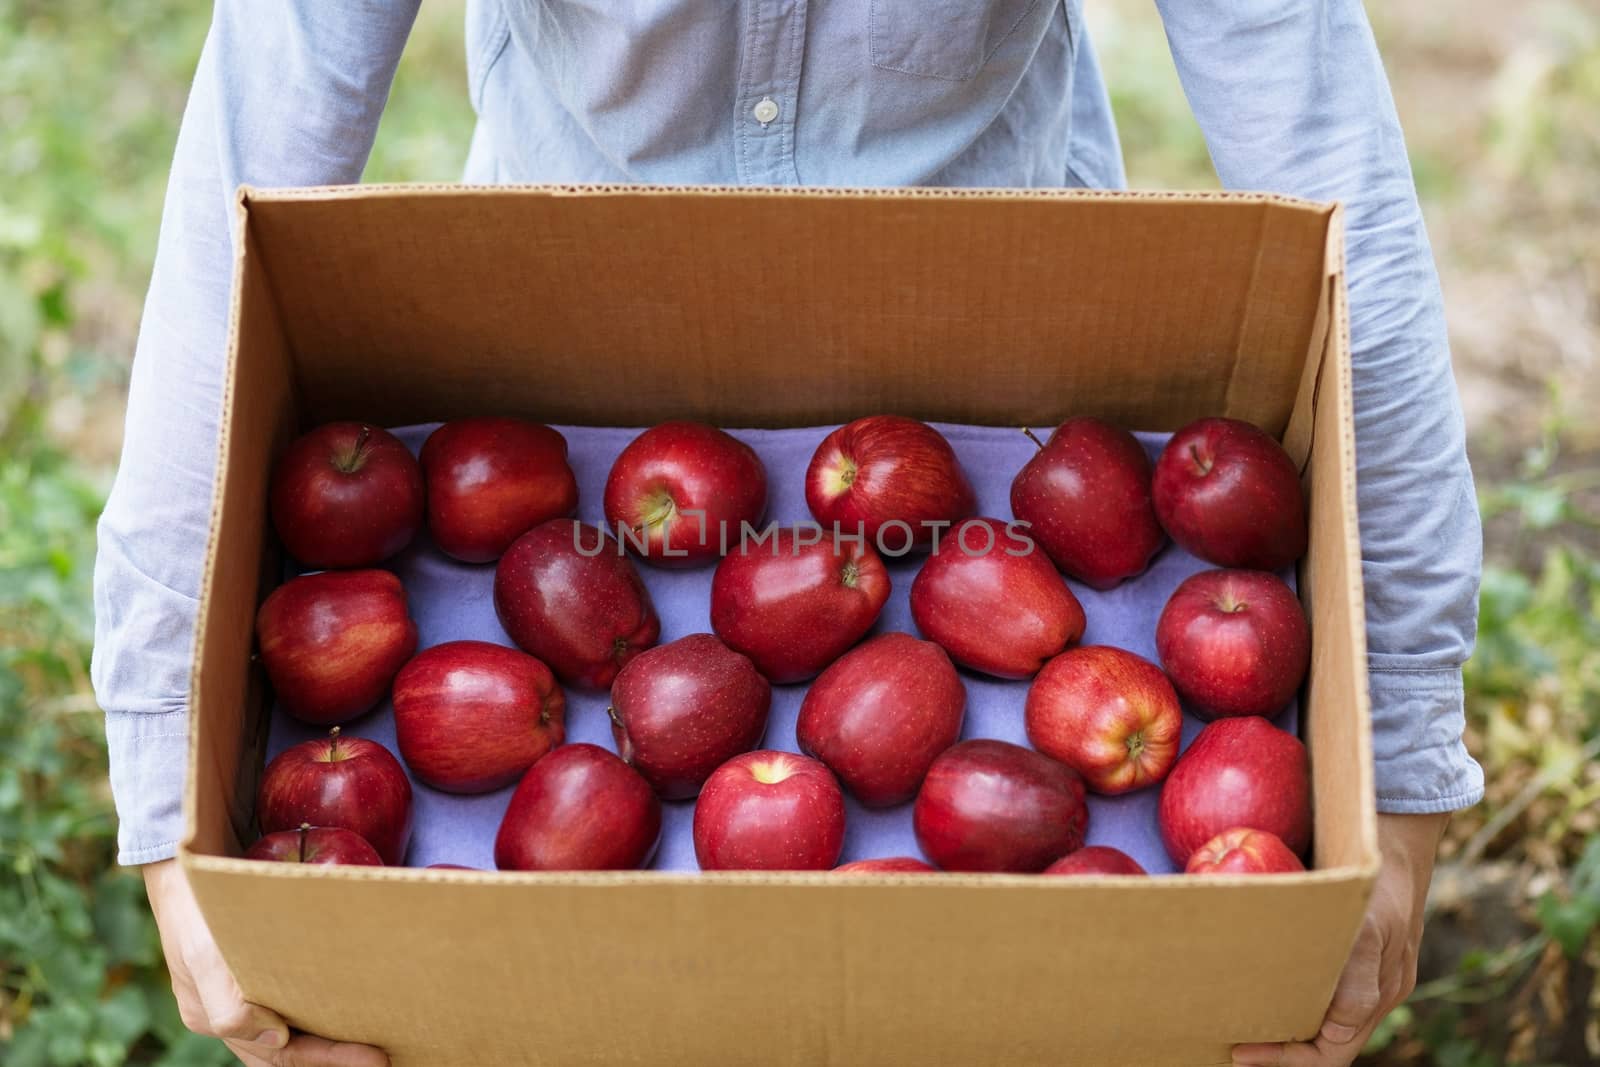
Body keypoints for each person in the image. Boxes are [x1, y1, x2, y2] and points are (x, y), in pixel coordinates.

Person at [96, 4, 1484, 1066]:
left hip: (1007, 371)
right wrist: (172, 804)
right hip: (564, 357)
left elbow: (1335, 170)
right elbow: (250, 151)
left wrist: (1397, 789)